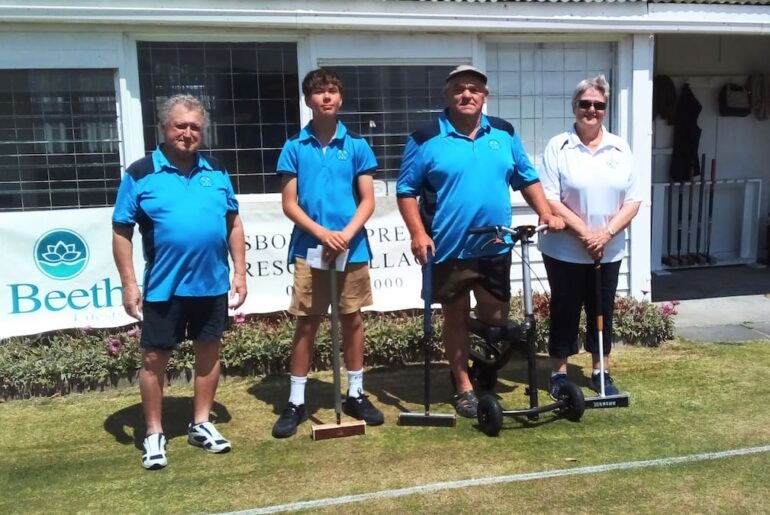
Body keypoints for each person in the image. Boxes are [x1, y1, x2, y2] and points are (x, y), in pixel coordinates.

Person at [396, 65, 564, 418]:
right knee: (454, 316)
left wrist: (545, 212)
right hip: (448, 247)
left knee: (497, 318)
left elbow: (526, 177)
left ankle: (480, 355)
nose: (467, 94)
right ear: (447, 95)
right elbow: (406, 190)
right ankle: (463, 385)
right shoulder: (425, 137)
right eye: (459, 89)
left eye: (474, 88)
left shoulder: (503, 133)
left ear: (485, 95)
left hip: (495, 246)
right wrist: (418, 232)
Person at [112, 94, 247, 470]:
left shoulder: (217, 170)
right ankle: (154, 433)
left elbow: (232, 222)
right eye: (180, 126)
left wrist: (239, 271)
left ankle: (201, 424)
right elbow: (121, 231)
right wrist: (128, 284)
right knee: (154, 359)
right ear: (163, 128)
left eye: (195, 127)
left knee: (209, 353)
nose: (187, 133)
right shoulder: (140, 173)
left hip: (212, 285)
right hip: (164, 287)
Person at [272, 68, 384, 438]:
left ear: (340, 98)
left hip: (351, 249)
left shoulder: (357, 146)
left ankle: (355, 393)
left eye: (332, 91)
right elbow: (290, 204)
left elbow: (367, 200)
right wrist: (323, 234)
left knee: (352, 319)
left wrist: (346, 235)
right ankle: (296, 401)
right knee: (308, 322)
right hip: (310, 249)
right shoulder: (294, 147)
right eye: (319, 92)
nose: (326, 98)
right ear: (308, 100)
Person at [537, 75, 642, 398]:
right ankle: (558, 374)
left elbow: (634, 200)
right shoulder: (559, 145)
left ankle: (601, 371)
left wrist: (606, 234)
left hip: (608, 250)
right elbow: (551, 199)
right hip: (565, 249)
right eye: (585, 104)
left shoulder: (620, 147)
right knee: (565, 309)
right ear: (574, 107)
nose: (591, 110)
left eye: (598, 105)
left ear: (605, 110)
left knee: (602, 309)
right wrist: (585, 234)